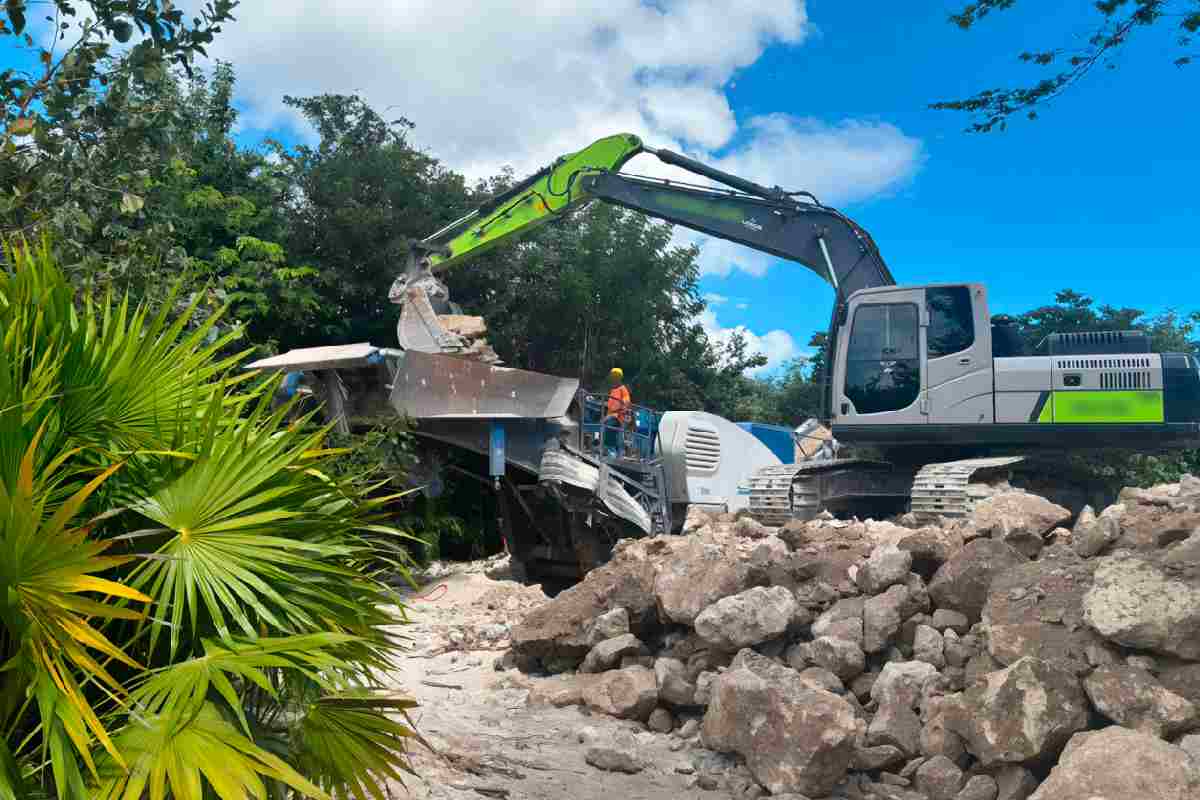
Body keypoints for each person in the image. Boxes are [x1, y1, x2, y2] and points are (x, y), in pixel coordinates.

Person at [602, 367, 632, 455]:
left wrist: (617, 411)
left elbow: (626, 403)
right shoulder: (613, 390)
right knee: (598, 421)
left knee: (610, 424)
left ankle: (611, 448)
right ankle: (600, 446)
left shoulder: (623, 389)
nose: (613, 379)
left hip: (618, 417)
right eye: (612, 376)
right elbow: (610, 405)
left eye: (615, 376)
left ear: (619, 378)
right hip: (610, 415)